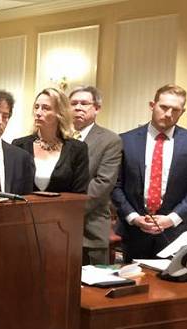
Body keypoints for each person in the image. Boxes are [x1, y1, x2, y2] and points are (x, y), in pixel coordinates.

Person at [112, 84, 187, 261]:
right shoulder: (125, 140)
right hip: (135, 231)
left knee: (174, 288)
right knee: (135, 285)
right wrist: (133, 217)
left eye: (175, 110)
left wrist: (172, 218)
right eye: (164, 107)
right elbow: (116, 186)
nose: (168, 114)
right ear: (152, 105)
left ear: (182, 112)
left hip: (176, 232)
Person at [69, 86, 122, 265]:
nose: (78, 107)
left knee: (92, 291)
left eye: (84, 103)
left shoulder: (110, 140)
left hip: (90, 230)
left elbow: (103, 183)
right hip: (56, 231)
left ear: (97, 108)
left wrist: (67, 210)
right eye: (73, 103)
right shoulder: (58, 137)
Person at [12, 87, 89, 193]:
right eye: (36, 107)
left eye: (45, 108)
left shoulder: (77, 149)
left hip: (62, 209)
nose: (38, 112)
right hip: (26, 208)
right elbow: (13, 188)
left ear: (60, 114)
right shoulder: (19, 145)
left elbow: (80, 193)